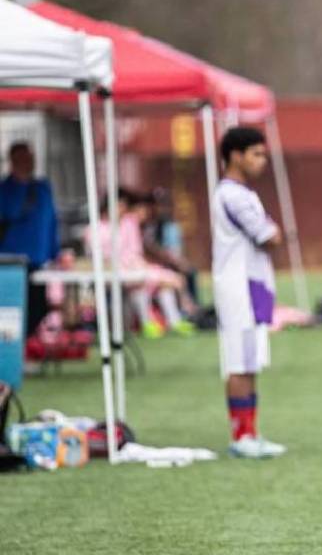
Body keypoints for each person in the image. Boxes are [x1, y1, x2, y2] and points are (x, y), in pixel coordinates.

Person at [212, 126, 286, 459]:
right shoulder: (231, 194)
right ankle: (241, 436)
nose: (262, 161)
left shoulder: (245, 193)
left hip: (253, 285)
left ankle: (252, 433)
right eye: (256, 153)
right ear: (235, 155)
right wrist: (272, 232)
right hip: (238, 287)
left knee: (251, 361)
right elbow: (268, 235)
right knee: (239, 363)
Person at [88, 189, 192, 338]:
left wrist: (139, 264)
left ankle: (173, 321)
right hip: (112, 271)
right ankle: (147, 322)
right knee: (144, 282)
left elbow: (135, 252)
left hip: (134, 268)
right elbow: (100, 257)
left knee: (162, 283)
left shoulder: (128, 224)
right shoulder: (96, 228)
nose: (122, 209)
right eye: (120, 205)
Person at [0, 141, 59, 334]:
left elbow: (51, 221)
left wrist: (55, 253)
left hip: (38, 259)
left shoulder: (43, 188)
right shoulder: (5, 189)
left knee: (38, 307)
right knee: (12, 310)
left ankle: (27, 345)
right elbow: (10, 212)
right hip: (10, 260)